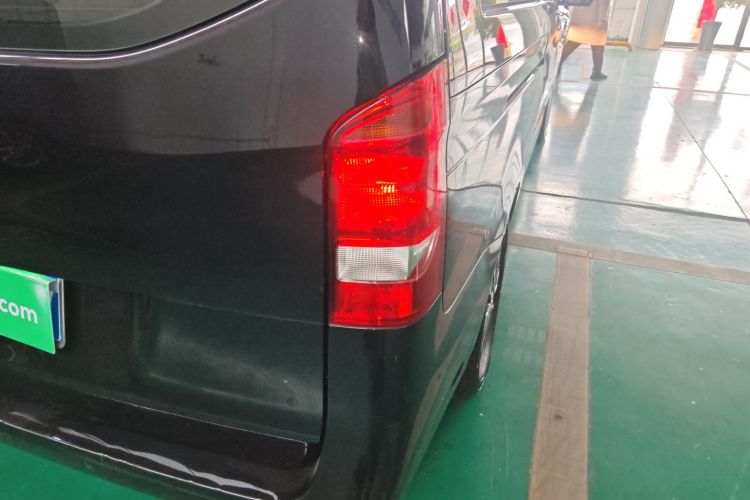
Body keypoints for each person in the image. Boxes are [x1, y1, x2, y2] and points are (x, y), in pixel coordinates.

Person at [560, 0, 612, 81]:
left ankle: (557, 64)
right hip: (595, 18)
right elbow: (604, 2)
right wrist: (602, 19)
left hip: (579, 17)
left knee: (572, 43)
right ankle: (596, 72)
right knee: (598, 46)